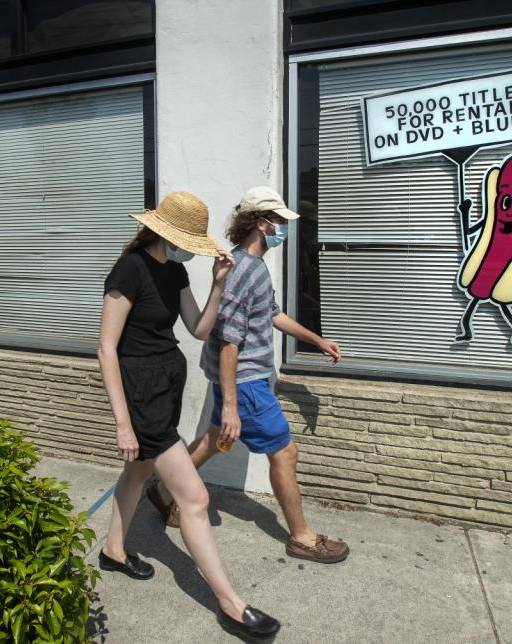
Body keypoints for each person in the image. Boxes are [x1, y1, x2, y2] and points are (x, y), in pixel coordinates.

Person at [97, 191, 280, 641]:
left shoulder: (175, 270)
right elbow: (105, 348)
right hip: (140, 396)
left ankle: (114, 550)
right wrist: (123, 421)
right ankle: (230, 603)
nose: (189, 249)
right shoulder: (130, 269)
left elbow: (199, 328)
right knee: (195, 500)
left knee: (138, 472)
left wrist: (219, 283)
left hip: (165, 389)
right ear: (164, 231)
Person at [148, 186, 350, 565]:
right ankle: (302, 537)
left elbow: (272, 314)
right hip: (246, 383)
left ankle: (163, 491)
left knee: (212, 442)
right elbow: (228, 341)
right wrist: (231, 405)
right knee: (285, 453)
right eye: (279, 223)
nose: (283, 231)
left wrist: (316, 339)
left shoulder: (252, 267)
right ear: (261, 223)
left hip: (242, 383)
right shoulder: (242, 271)